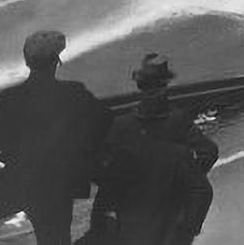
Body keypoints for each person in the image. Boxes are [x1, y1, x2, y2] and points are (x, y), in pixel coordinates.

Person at [0, 31, 111, 245]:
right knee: (56, 239)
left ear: (27, 61)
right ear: (56, 62)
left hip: (18, 180)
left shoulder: (9, 98)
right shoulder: (74, 93)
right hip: (58, 184)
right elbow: (104, 122)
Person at [88, 55, 215, 245]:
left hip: (131, 216)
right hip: (168, 213)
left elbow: (99, 167)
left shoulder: (121, 125)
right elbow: (209, 152)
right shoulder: (178, 121)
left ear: (140, 86)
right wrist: (183, 179)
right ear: (165, 85)